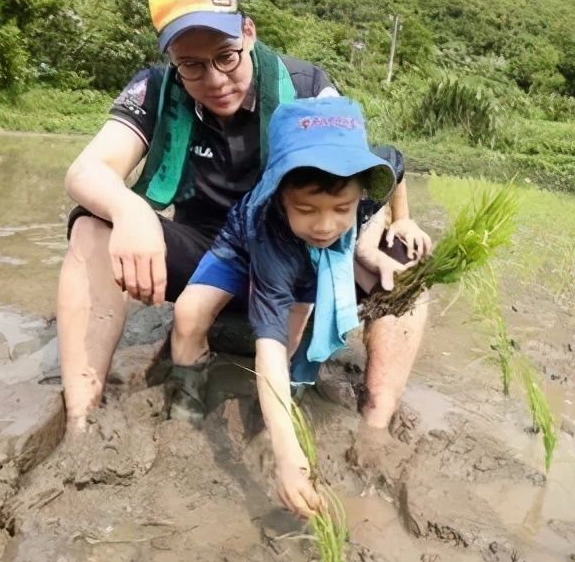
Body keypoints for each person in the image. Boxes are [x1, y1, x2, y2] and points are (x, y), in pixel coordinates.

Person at [56, 0, 431, 441]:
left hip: (294, 256)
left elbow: (353, 176)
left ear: (248, 33)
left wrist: (388, 228)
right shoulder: (154, 88)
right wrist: (131, 210)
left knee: (410, 261)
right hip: (207, 258)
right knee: (92, 224)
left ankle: (375, 426)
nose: (214, 78)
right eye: (191, 64)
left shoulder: (306, 89)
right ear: (171, 57)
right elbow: (86, 171)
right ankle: (80, 419)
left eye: (225, 56)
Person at [171, 96, 406, 517]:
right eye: (306, 209)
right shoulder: (270, 237)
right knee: (189, 315)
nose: (325, 225)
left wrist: (402, 218)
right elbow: (269, 348)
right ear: (280, 195)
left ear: (359, 194)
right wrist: (289, 459)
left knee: (296, 327)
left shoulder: (364, 186)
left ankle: (287, 407)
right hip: (241, 247)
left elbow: (397, 163)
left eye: (341, 209)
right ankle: (186, 402)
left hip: (301, 263)